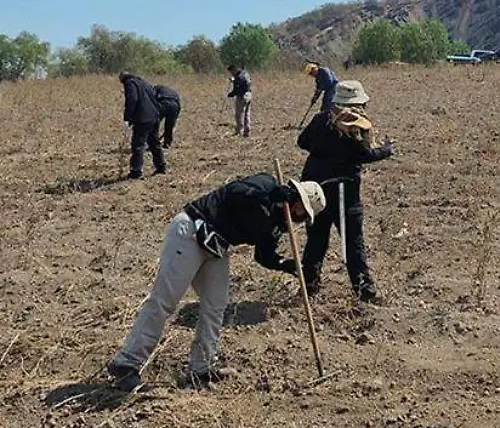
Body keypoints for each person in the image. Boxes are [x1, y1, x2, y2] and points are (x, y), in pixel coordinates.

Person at [107, 175, 325, 392]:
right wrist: (268, 196)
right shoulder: (266, 184)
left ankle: (200, 367)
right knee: (164, 302)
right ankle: (126, 365)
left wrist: (289, 265)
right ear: (297, 200)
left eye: (304, 218)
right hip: (191, 232)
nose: (300, 220)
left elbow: (264, 255)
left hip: (217, 247)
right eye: (302, 213)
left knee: (215, 305)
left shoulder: (278, 224)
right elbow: (235, 192)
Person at [299, 80, 395, 303]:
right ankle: (364, 291)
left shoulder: (320, 119)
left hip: (314, 189)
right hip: (343, 190)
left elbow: (302, 141)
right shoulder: (356, 126)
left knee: (315, 239)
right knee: (352, 242)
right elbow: (364, 155)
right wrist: (386, 150)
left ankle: (309, 288)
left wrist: (323, 149)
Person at [120, 73, 166, 179]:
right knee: (154, 143)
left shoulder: (129, 83)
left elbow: (132, 99)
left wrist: (128, 117)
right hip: (154, 116)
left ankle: (136, 171)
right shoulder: (144, 82)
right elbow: (154, 97)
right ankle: (161, 167)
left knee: (138, 145)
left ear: (123, 78)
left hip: (143, 119)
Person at [227, 66, 252, 138]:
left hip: (242, 96)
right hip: (249, 94)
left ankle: (239, 131)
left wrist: (231, 94)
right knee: (247, 113)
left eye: (231, 72)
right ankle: (247, 130)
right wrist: (234, 81)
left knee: (239, 114)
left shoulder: (238, 77)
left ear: (234, 70)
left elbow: (237, 89)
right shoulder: (245, 73)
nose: (231, 74)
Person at [153, 84, 181, 149]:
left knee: (154, 124)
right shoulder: (173, 91)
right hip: (175, 105)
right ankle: (167, 143)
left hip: (163, 102)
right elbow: (179, 105)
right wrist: (175, 118)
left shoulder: (156, 89)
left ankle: (154, 143)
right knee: (169, 126)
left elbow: (152, 100)